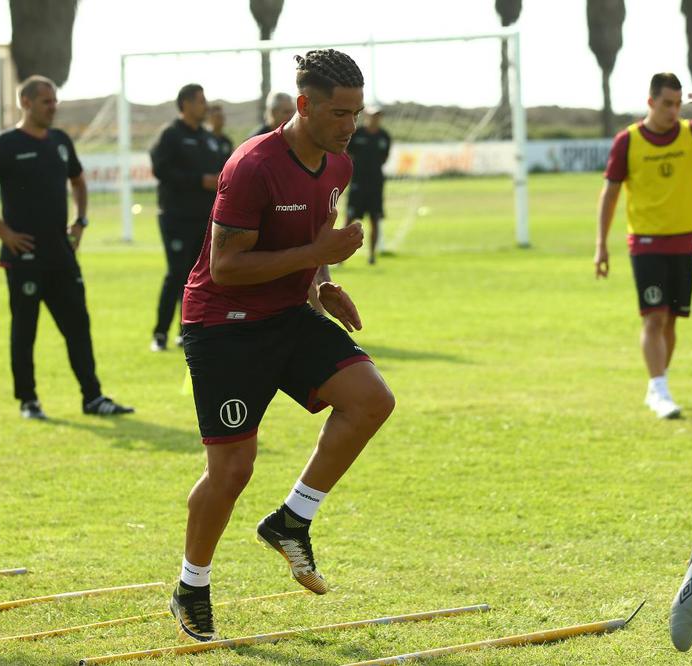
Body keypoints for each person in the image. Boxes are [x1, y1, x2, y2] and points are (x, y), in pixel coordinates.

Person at [169, 49, 395, 642]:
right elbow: (225, 267)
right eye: (339, 112)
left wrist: (323, 285)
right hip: (225, 325)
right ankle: (191, 583)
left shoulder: (338, 166)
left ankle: (292, 520)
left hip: (287, 313)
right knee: (232, 470)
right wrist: (316, 259)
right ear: (304, 105)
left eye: (357, 112)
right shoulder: (252, 166)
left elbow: (313, 240)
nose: (350, 124)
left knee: (371, 399)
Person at [0, 75, 133, 419]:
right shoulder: (6, 144)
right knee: (25, 330)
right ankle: (29, 400)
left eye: (55, 101)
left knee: (78, 326)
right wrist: (3, 231)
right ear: (26, 103)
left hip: (61, 253)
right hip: (24, 255)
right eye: (46, 102)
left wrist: (80, 221)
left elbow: (78, 181)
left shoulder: (60, 141)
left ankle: (93, 397)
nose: (53, 108)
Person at [595, 72, 692, 421]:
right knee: (654, 318)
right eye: (666, 104)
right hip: (645, 243)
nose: (673, 111)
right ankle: (659, 389)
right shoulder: (627, 142)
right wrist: (601, 245)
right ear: (650, 102)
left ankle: (657, 385)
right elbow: (610, 194)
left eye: (678, 104)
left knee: (672, 321)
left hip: (684, 241)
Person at [148, 84, 222, 352]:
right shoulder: (171, 135)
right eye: (201, 101)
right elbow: (160, 169)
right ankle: (159, 333)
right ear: (186, 104)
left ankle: (186, 331)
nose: (205, 105)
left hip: (204, 219)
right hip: (176, 218)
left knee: (199, 278)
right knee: (176, 274)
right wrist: (198, 181)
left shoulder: (208, 137)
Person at [346, 104, 392, 263]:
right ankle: (339, 257)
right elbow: (348, 153)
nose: (376, 118)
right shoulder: (357, 134)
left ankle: (372, 256)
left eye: (378, 115)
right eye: (373, 115)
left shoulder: (384, 136)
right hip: (358, 182)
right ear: (366, 116)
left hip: (376, 184)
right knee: (349, 219)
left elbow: (384, 157)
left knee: (375, 219)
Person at [207, 103, 234, 169]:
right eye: (217, 117)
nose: (221, 120)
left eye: (222, 117)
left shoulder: (227, 141)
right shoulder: (205, 139)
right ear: (210, 119)